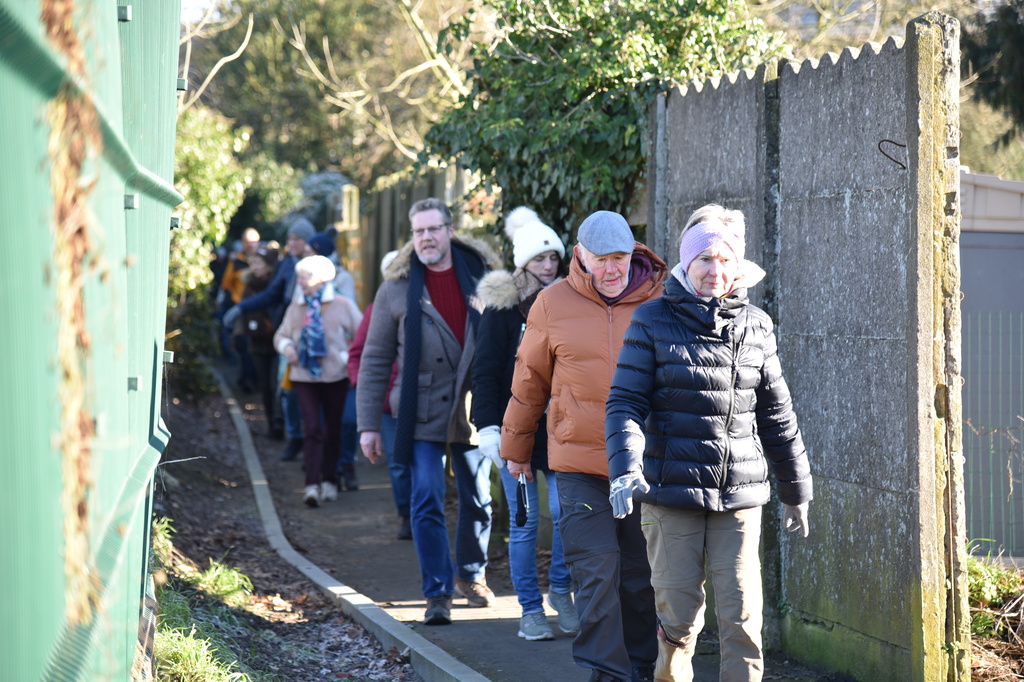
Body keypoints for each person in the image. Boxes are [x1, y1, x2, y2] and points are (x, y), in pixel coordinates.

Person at [605, 204, 813, 682]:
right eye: (704, 260)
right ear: (685, 264)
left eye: (724, 260)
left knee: (742, 618)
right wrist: (625, 466)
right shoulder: (651, 321)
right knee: (679, 617)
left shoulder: (757, 324)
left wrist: (796, 490)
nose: (714, 271)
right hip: (670, 492)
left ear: (737, 265)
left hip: (739, 496)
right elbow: (625, 405)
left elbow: (777, 413)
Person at [502, 210, 665, 681]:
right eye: (601, 260)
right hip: (577, 465)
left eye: (620, 258)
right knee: (595, 578)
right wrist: (516, 450)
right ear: (580, 256)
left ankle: (638, 669)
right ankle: (606, 675)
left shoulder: (662, 299)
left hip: (641, 467)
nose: (612, 270)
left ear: (633, 255)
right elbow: (528, 380)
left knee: (638, 582)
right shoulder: (551, 304)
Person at [356, 198, 498, 626]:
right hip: (417, 410)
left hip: (472, 409)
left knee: (478, 499)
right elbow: (375, 358)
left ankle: (471, 575)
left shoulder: (486, 279)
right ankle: (437, 591)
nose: (426, 238)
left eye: (433, 229)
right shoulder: (396, 287)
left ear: (450, 231)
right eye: (418, 231)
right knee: (426, 498)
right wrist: (368, 427)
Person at [472, 206, 577, 641]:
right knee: (525, 522)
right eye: (539, 259)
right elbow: (486, 370)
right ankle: (529, 612)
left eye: (553, 257)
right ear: (522, 263)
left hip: (560, 432)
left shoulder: (571, 302)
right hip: (513, 433)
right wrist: (488, 428)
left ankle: (561, 591)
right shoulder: (502, 309)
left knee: (569, 514)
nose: (549, 266)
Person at [273, 255, 363, 507]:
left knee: (332, 430)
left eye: (305, 276)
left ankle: (330, 480)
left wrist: (346, 357)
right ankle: (311, 485)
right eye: (299, 276)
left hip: (335, 376)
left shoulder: (342, 304)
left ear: (322, 278)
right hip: (304, 376)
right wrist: (287, 346)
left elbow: (362, 335)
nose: (299, 281)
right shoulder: (296, 307)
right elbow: (280, 335)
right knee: (312, 428)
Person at [224, 216, 315, 456]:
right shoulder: (286, 265)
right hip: (284, 334)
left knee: (308, 392)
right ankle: (294, 437)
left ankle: (315, 447)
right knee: (285, 389)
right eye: (290, 238)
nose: (292, 242)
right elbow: (272, 294)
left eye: (297, 238)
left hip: (312, 338)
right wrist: (241, 308)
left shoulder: (317, 266)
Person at [348, 251, 410, 538]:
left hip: (420, 400)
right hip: (388, 402)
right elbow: (360, 353)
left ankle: (420, 513)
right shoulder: (376, 309)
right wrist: (362, 386)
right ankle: (406, 515)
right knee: (398, 463)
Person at [306, 231, 361, 490]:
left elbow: (353, 322)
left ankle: (345, 464)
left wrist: (345, 354)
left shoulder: (342, 282)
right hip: (311, 366)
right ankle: (322, 470)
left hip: (341, 364)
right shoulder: (302, 287)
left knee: (343, 421)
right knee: (316, 423)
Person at [238, 246, 280, 433]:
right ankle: (272, 423)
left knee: (276, 384)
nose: (255, 267)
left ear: (269, 267)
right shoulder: (248, 287)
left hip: (278, 343)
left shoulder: (276, 287)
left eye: (259, 263)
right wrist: (238, 334)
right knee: (265, 387)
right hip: (257, 343)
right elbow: (242, 313)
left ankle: (280, 422)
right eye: (253, 263)